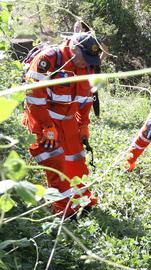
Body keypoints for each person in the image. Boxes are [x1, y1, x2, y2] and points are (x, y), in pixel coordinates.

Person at [22, 32, 102, 216]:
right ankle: (64, 211)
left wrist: (83, 124)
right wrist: (46, 125)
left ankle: (84, 200)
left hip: (68, 121)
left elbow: (86, 98)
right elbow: (33, 96)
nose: (86, 63)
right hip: (43, 119)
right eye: (84, 59)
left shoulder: (87, 66)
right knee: (55, 163)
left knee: (76, 160)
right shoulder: (48, 60)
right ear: (74, 49)